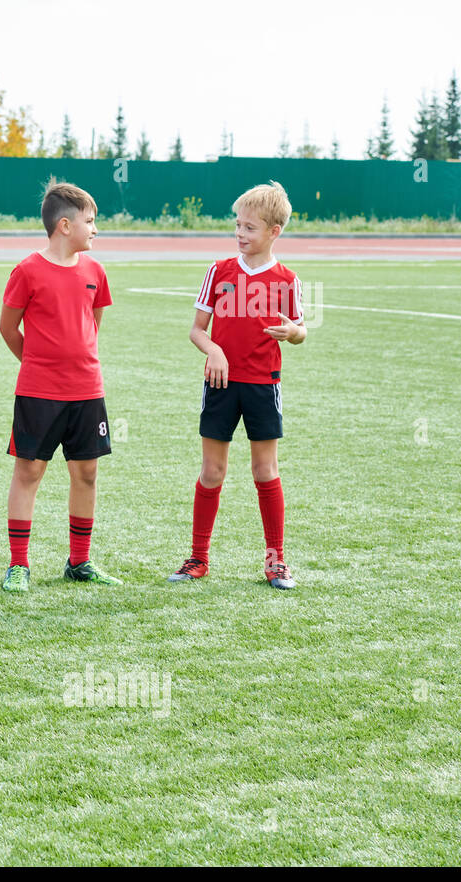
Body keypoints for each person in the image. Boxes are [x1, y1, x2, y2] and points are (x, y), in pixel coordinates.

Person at [168, 181, 306, 589]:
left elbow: (300, 331)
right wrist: (214, 350)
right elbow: (197, 330)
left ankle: (276, 560)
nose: (240, 234)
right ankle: (197, 558)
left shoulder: (287, 279)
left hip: (264, 384)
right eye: (237, 225)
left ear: (273, 231)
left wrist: (294, 333)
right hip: (220, 384)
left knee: (265, 471)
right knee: (212, 471)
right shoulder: (219, 271)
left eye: (249, 228)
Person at [0, 179, 120, 593]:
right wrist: (36, 364)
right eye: (90, 221)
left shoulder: (95, 272)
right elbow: (8, 328)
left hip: (87, 390)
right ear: (65, 226)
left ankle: (80, 561)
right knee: (29, 471)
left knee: (86, 473)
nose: (95, 229)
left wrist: (76, 364)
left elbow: (92, 327)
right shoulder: (27, 270)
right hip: (38, 391)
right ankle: (18, 565)